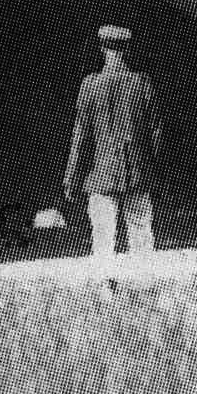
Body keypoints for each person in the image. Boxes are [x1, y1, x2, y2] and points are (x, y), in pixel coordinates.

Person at [63, 25, 162, 256]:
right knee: (141, 240)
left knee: (103, 239)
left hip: (101, 175)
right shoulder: (141, 82)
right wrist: (152, 170)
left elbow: (80, 137)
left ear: (101, 48)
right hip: (137, 174)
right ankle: (143, 289)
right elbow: (156, 134)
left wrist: (71, 179)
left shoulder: (89, 84)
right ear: (126, 49)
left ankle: (106, 291)